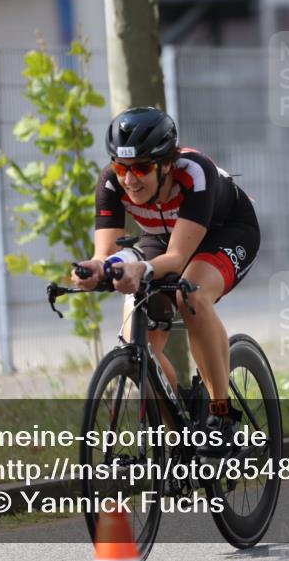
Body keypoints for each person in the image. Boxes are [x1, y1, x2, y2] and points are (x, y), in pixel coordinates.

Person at [71, 106, 259, 457]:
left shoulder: (195, 173)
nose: (129, 179)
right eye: (121, 167)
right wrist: (95, 270)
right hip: (163, 237)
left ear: (167, 164)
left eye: (141, 168)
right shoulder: (111, 182)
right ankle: (181, 440)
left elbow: (174, 259)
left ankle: (221, 416)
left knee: (194, 295)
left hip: (224, 232)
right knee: (135, 335)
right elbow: (107, 253)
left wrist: (140, 269)